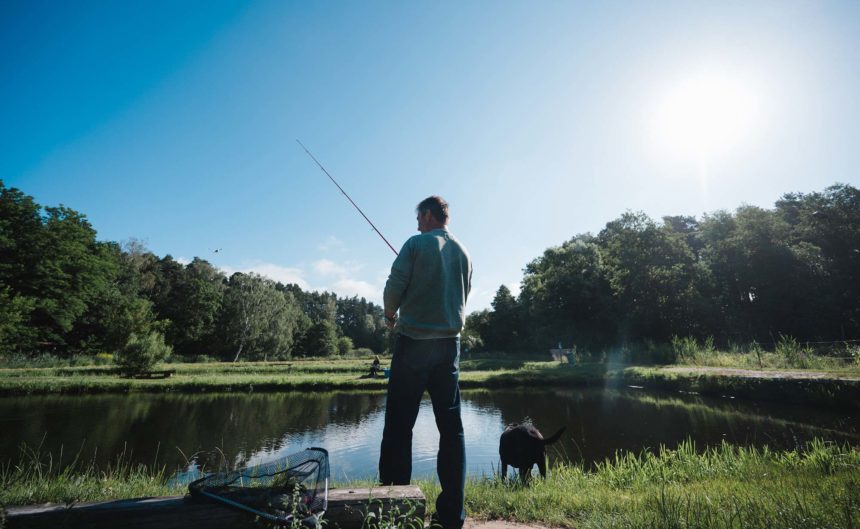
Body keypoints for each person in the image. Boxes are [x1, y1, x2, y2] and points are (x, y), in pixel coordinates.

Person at [379, 196, 472, 529]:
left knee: (399, 428)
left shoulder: (414, 243)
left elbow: (394, 288)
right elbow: (464, 294)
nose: (417, 224)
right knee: (452, 431)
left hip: (414, 346)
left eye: (419, 217)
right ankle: (451, 518)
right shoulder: (464, 252)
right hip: (449, 349)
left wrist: (391, 316)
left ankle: (395, 511)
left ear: (430, 215)